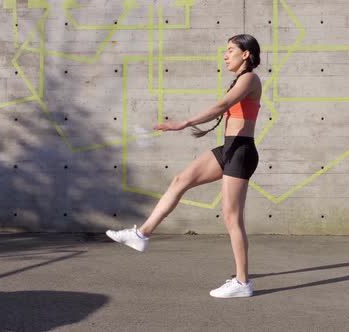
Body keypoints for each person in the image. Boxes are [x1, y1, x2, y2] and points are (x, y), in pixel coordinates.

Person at [106, 34, 262, 298]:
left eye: (230, 50)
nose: (225, 56)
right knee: (181, 180)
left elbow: (223, 105)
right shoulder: (239, 80)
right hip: (228, 149)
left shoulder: (250, 78)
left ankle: (242, 283)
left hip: (241, 151)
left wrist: (184, 123)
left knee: (231, 217)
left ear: (246, 54)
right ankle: (141, 235)